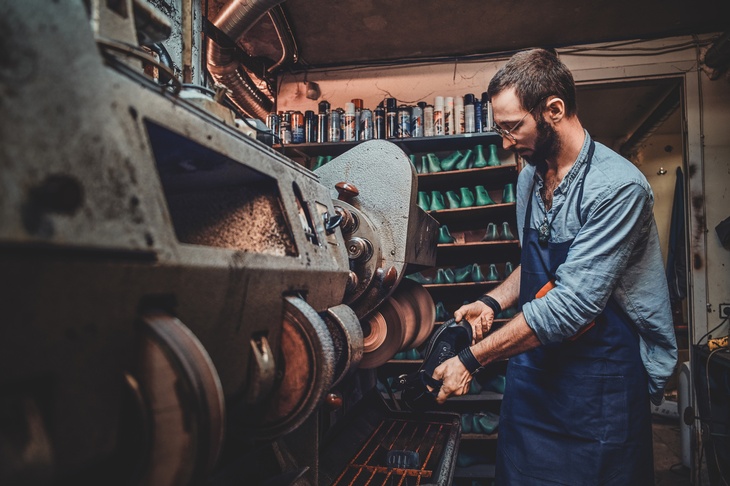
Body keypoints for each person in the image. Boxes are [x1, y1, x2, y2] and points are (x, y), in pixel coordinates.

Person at [431, 48, 678, 484]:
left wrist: (471, 359)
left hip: (599, 384)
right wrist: (491, 300)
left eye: (512, 127)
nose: (506, 142)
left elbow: (571, 306)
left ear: (554, 110)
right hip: (536, 375)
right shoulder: (530, 175)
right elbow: (536, 265)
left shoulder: (619, 189)